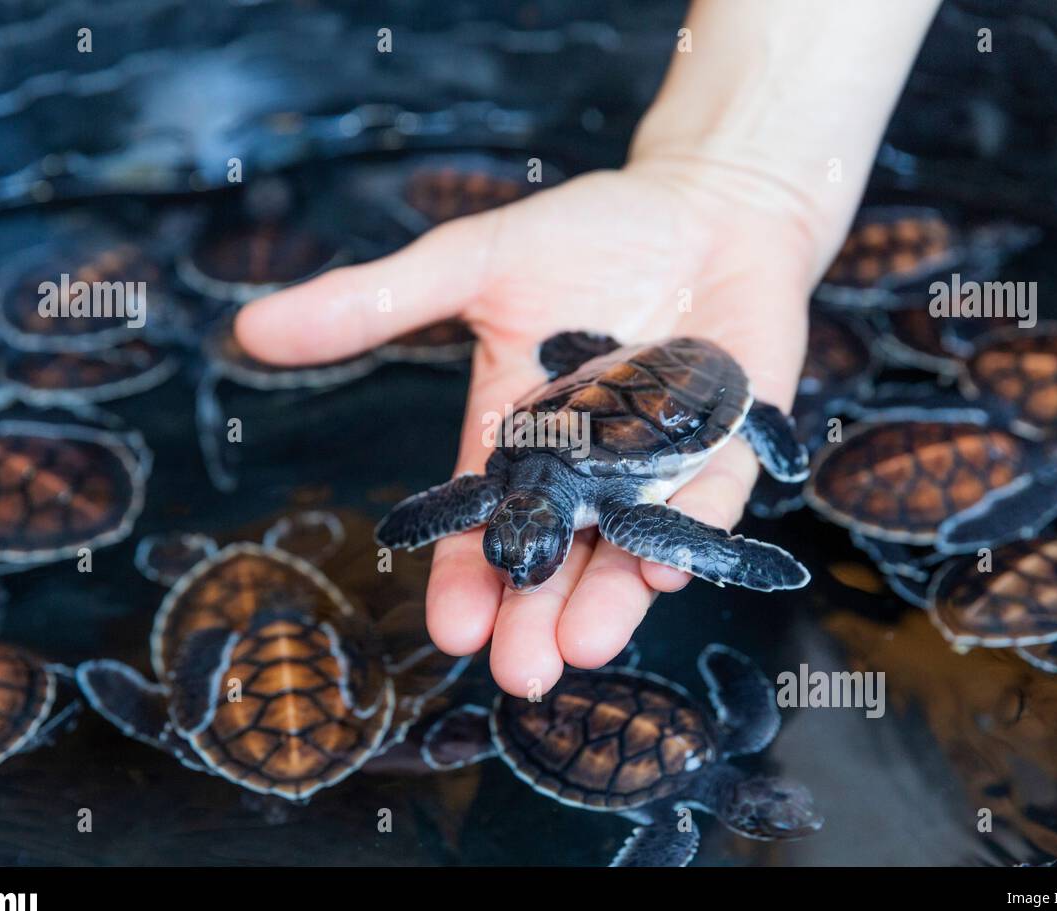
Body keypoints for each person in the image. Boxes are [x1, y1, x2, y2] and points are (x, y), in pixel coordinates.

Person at [235, 0, 943, 696]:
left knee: (676, 542)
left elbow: (674, 536)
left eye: (525, 558)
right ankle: (606, 357)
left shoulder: (611, 504)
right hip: (608, 372)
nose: (519, 573)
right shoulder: (505, 477)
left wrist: (721, 554)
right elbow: (459, 507)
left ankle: (746, 412)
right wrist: (725, 177)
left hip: (693, 382)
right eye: (517, 561)